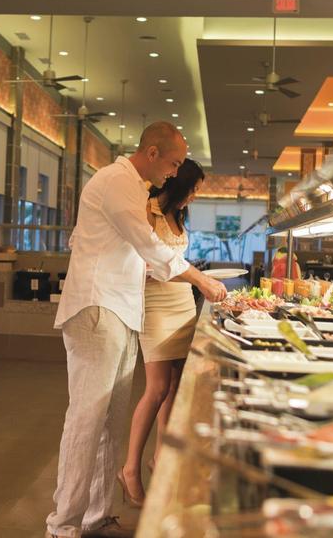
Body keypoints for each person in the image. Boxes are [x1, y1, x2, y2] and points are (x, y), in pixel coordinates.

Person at [46, 122, 227, 538]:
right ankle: (63, 525)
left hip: (122, 310)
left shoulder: (133, 186)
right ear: (150, 152)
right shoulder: (117, 182)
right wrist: (202, 281)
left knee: (110, 421)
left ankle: (95, 516)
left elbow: (125, 248)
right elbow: (149, 245)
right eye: (173, 163)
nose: (174, 172)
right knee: (87, 419)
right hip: (97, 307)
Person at [119, 158, 204, 505]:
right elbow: (137, 258)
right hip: (155, 306)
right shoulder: (148, 209)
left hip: (183, 303)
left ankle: (162, 460)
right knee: (155, 389)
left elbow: (175, 263)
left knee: (173, 390)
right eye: (194, 189)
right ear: (180, 183)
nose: (195, 196)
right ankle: (129, 469)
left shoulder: (179, 216)